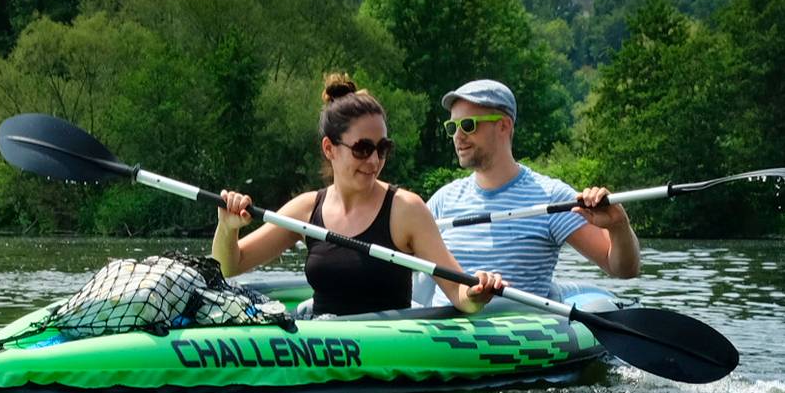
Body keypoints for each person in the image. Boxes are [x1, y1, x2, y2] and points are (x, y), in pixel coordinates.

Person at [213, 74, 509, 315]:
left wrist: (476, 292)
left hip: (385, 359)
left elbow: (458, 293)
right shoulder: (306, 209)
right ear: (329, 148)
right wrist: (227, 228)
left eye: (382, 149)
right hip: (320, 353)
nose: (374, 161)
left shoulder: (406, 209)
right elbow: (229, 266)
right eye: (362, 149)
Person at [416, 78, 638, 306]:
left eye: (469, 125)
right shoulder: (442, 200)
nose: (458, 136)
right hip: (439, 333)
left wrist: (618, 226)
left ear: (503, 125)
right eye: (453, 127)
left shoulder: (552, 197)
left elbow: (622, 269)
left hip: (519, 334)